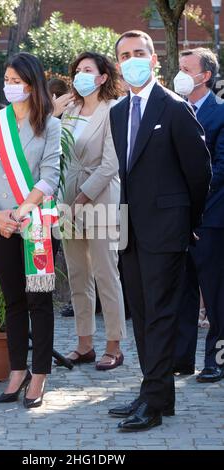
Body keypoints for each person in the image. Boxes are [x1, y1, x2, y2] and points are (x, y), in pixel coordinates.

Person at [108, 30, 211, 432]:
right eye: (124, 55)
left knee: (161, 317)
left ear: (153, 59)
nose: (132, 59)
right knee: (143, 314)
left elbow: (199, 172)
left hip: (167, 231)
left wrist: (188, 223)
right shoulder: (118, 112)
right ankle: (155, 393)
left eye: (139, 53)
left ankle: (153, 403)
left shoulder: (174, 108)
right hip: (129, 230)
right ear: (118, 64)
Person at [0, 52, 61, 409]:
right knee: (13, 300)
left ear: (32, 83)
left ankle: (39, 372)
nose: (10, 86)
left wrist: (24, 211)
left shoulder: (50, 124)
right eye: (7, 80)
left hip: (36, 224)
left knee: (38, 300)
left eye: (17, 81)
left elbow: (50, 174)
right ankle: (17, 369)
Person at [59, 51, 126, 370]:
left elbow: (111, 165)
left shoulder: (114, 110)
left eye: (88, 70)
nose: (80, 75)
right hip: (67, 201)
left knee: (106, 274)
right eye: (77, 70)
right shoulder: (69, 109)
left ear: (102, 77)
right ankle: (84, 344)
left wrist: (81, 200)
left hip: (102, 201)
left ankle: (114, 345)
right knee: (77, 274)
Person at [173, 48, 224, 383]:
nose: (179, 73)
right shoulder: (173, 109)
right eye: (178, 67)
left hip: (211, 216)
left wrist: (188, 189)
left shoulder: (220, 114)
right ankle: (181, 359)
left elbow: (220, 167)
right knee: (182, 291)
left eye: (186, 68)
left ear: (204, 76)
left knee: (216, 292)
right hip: (177, 218)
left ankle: (216, 359)